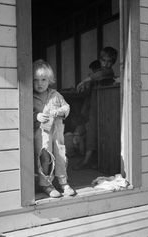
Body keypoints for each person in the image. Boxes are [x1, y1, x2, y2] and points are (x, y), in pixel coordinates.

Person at [33, 59, 76, 198]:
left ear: (49, 80)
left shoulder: (55, 95)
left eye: (43, 79)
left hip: (57, 132)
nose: (40, 83)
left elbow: (66, 107)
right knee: (45, 157)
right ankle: (46, 184)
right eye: (36, 80)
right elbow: (25, 112)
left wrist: (59, 111)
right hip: (42, 133)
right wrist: (36, 116)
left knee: (60, 156)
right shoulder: (30, 96)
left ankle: (64, 183)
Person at [75, 47, 118, 170]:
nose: (107, 64)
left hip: (105, 109)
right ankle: (88, 161)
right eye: (104, 60)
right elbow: (89, 92)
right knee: (92, 134)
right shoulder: (97, 74)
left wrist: (83, 81)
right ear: (100, 60)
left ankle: (88, 161)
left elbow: (100, 75)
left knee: (102, 135)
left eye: (110, 61)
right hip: (94, 108)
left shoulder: (108, 72)